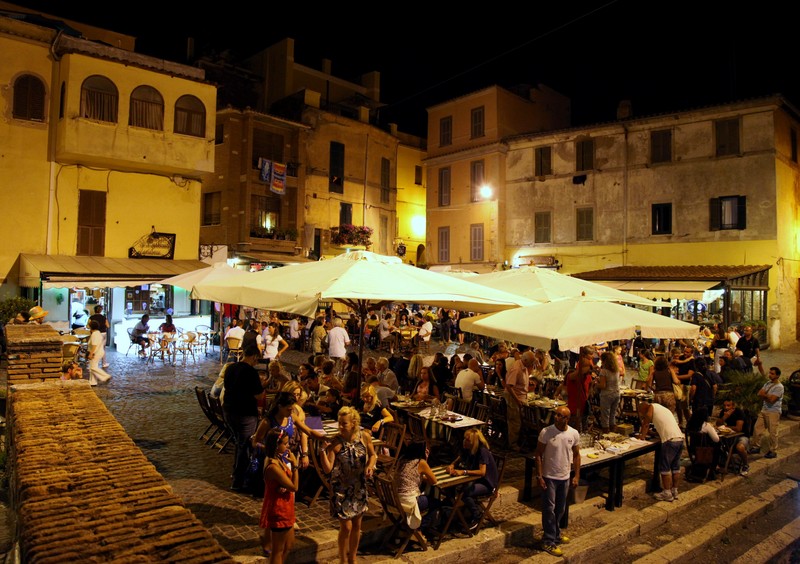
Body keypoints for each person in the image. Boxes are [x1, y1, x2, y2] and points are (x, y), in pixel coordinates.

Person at [319, 406, 377, 564]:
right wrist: (323, 452)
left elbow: (373, 455)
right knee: (346, 527)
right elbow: (327, 468)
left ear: (353, 423)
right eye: (339, 423)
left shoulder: (364, 437)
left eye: (344, 423)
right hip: (341, 489)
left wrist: (370, 466)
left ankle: (353, 557)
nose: (340, 426)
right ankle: (342, 559)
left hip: (359, 486)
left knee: (357, 525)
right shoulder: (336, 441)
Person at [533, 406, 580, 558]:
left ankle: (556, 534)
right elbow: (538, 454)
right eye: (556, 415)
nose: (556, 417)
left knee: (560, 509)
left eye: (560, 416)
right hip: (549, 476)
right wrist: (540, 476)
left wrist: (576, 475)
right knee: (549, 510)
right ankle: (548, 540)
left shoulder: (573, 433)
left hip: (564, 477)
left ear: (567, 419)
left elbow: (577, 455)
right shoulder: (546, 432)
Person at [222, 345, 264, 492]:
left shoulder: (230, 368)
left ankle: (236, 473)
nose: (256, 362)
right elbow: (259, 395)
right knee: (245, 445)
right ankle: (239, 480)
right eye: (256, 359)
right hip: (245, 413)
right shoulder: (251, 372)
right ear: (254, 357)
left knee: (240, 443)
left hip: (228, 410)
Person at [258, 428, 299, 563]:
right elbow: (294, 487)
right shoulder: (273, 466)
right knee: (278, 550)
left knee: (289, 545)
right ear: (276, 445)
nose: (288, 446)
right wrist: (295, 465)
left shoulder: (277, 459)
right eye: (285, 443)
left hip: (285, 507)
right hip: (279, 510)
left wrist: (284, 486)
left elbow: (284, 484)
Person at [446, 428, 498, 530]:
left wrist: (464, 472)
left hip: (487, 483)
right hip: (476, 480)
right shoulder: (468, 449)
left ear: (474, 442)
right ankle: (451, 514)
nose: (464, 441)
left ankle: (477, 515)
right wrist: (452, 465)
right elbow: (458, 459)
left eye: (467, 440)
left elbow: (482, 472)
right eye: (464, 438)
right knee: (451, 487)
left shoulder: (482, 451)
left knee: (465, 493)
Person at [637, 401, 684, 502]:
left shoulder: (651, 408)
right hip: (679, 438)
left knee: (665, 467)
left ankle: (667, 493)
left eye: (642, 413)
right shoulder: (661, 408)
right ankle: (674, 490)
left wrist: (642, 437)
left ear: (644, 409)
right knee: (675, 467)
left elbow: (645, 424)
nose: (643, 416)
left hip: (670, 441)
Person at [395, 440, 440, 533]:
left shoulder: (402, 459)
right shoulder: (420, 462)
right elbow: (434, 481)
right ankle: (420, 529)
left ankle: (415, 528)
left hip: (396, 499)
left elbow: (415, 474)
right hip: (410, 501)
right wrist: (426, 460)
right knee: (436, 502)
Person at [749, 366, 784, 459]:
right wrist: (766, 396)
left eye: (772, 374)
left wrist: (764, 395)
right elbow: (759, 393)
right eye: (770, 373)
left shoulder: (779, 387)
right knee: (757, 428)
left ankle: (773, 450)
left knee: (773, 432)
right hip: (764, 409)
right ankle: (756, 446)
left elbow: (772, 400)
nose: (770, 375)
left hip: (773, 412)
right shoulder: (768, 383)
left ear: (777, 375)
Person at [504, 350, 534, 451]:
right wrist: (517, 400)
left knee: (519, 422)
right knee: (515, 422)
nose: (532, 364)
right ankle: (513, 444)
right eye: (531, 362)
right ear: (525, 360)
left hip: (521, 397)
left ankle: (519, 441)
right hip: (514, 399)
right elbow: (509, 385)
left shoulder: (522, 365)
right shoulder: (517, 368)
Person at [716, 399, 751, 476]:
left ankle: (745, 465)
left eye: (728, 405)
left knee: (740, 447)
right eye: (725, 405)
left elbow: (739, 428)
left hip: (742, 435)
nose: (726, 407)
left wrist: (726, 426)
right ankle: (721, 463)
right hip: (729, 436)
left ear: (733, 406)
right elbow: (718, 424)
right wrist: (724, 417)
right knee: (716, 443)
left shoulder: (739, 412)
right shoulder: (724, 412)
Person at [685, 406, 720, 481]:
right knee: (718, 445)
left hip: (694, 449)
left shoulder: (690, 424)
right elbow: (716, 439)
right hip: (705, 450)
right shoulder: (706, 425)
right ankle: (713, 468)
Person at [566, 347, 595, 433]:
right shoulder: (572, 375)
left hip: (583, 405)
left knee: (582, 429)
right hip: (574, 407)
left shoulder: (586, 376)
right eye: (587, 367)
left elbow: (589, 386)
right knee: (573, 429)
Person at [597, 351, 621, 433]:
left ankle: (606, 433)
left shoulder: (604, 371)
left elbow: (603, 386)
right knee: (613, 415)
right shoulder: (616, 370)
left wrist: (596, 383)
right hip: (616, 393)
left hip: (607, 395)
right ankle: (613, 432)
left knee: (605, 416)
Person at [86, 319, 111, 386]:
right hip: (98, 351)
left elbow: (94, 345)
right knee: (93, 366)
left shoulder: (95, 334)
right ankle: (93, 382)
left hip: (96, 352)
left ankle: (105, 376)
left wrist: (91, 353)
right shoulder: (98, 333)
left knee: (93, 367)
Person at [89, 305, 110, 369]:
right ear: (100, 311)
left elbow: (88, 325)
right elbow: (108, 326)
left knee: (94, 348)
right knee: (102, 348)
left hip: (95, 333)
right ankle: (104, 363)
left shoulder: (91, 317)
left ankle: (94, 363)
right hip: (103, 333)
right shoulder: (103, 317)